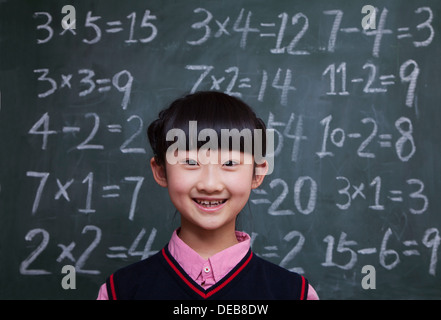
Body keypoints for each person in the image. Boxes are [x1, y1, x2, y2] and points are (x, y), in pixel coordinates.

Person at [97, 91, 318, 300]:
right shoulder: (120, 292)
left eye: (230, 163)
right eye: (191, 162)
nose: (210, 185)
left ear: (257, 173)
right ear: (161, 171)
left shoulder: (293, 294)